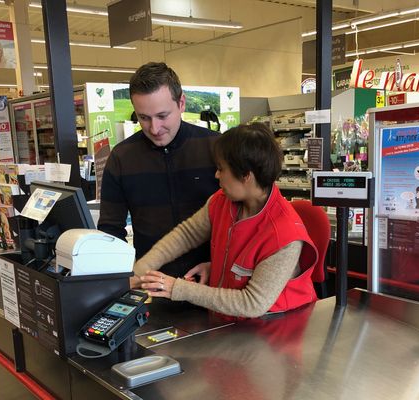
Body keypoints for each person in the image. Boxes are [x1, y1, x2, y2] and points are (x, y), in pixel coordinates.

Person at [136, 123, 319, 318]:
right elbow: (186, 235)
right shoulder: (222, 201)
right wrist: (139, 271)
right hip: (230, 324)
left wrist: (177, 288)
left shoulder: (285, 235)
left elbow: (252, 303)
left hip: (276, 328)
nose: (216, 175)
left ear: (246, 176)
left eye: (221, 169)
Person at [98, 62, 220, 278]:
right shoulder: (122, 158)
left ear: (181, 103)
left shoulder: (217, 148)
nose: (154, 128)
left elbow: (243, 220)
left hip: (214, 284)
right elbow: (110, 230)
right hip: (152, 286)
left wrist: (217, 265)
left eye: (163, 116)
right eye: (143, 118)